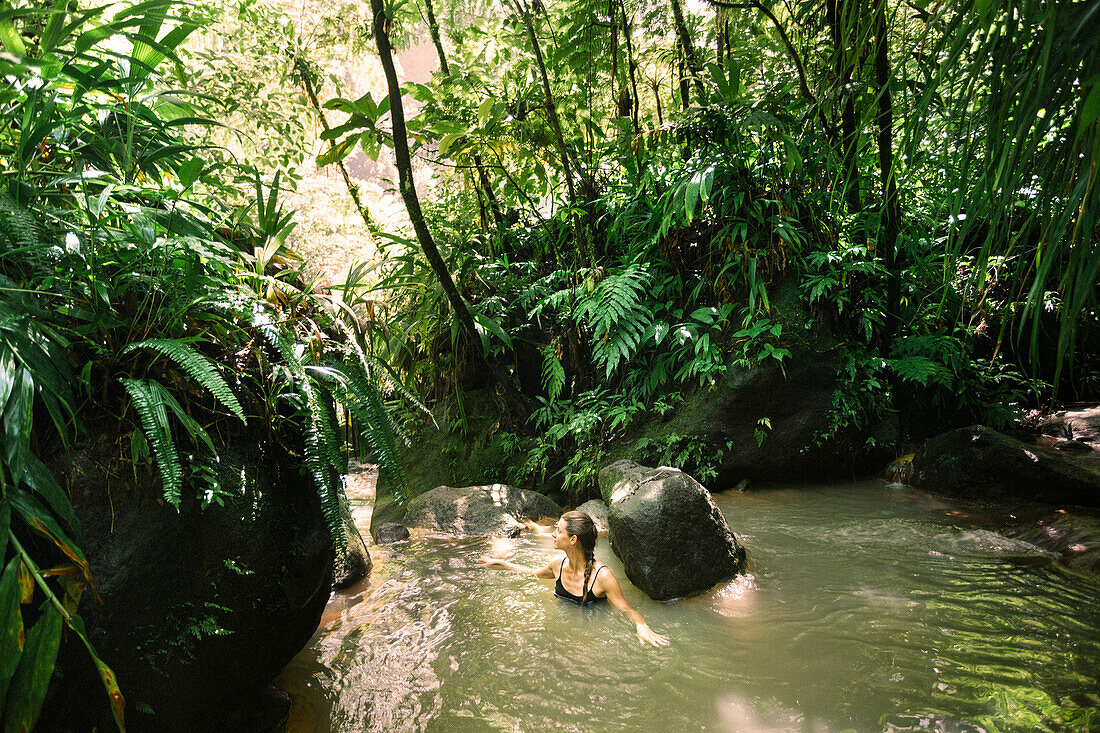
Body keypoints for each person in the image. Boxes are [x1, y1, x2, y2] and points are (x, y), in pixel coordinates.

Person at [479, 510, 669, 647]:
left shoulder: (602, 576)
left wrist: (641, 625)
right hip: (559, 628)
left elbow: (626, 610)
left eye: (559, 531)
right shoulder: (557, 565)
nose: (553, 534)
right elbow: (532, 574)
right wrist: (499, 563)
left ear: (573, 540)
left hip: (590, 635)